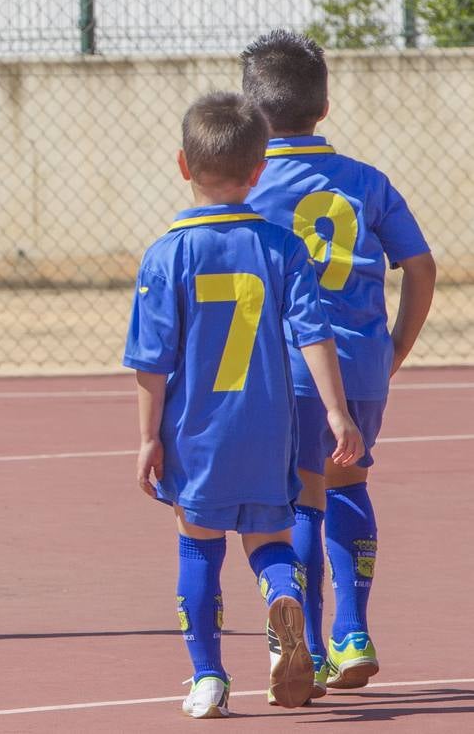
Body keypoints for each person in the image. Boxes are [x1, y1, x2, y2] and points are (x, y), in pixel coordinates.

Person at [123, 91, 363, 718]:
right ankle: (281, 594)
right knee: (270, 538)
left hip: (197, 431)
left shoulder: (167, 253)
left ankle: (208, 677)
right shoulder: (284, 248)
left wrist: (149, 437)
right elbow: (314, 334)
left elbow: (152, 362)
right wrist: (337, 414)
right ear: (259, 171)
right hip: (269, 425)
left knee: (199, 544)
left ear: (183, 165)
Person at [242, 30, 436, 692]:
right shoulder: (365, 181)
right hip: (359, 365)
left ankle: (313, 649)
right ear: (322, 108)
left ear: (250, 113)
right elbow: (420, 265)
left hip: (286, 369)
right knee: (349, 483)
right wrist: (394, 349)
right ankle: (352, 631)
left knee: (300, 497)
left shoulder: (250, 186)